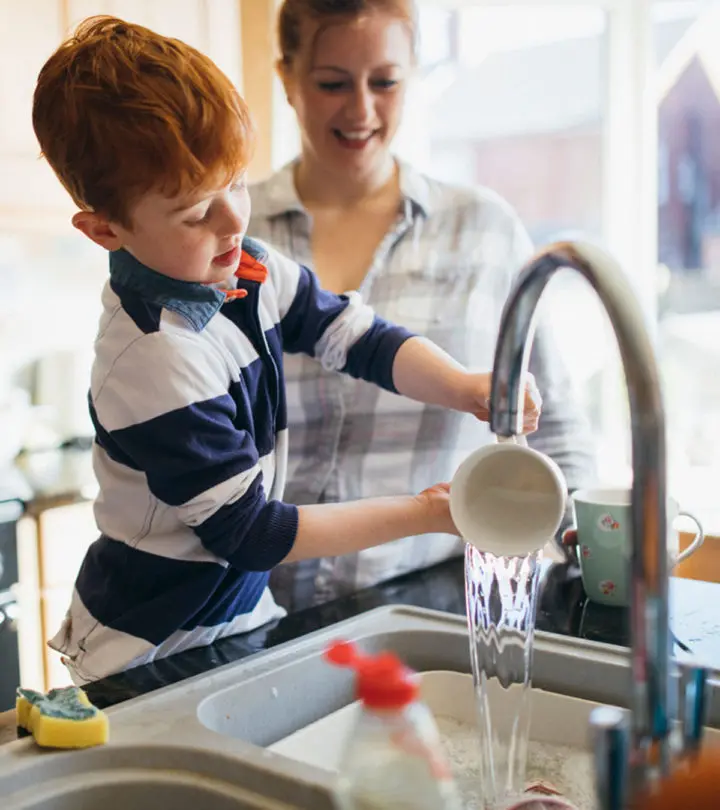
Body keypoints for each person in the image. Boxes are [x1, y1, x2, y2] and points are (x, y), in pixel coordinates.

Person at [31, 16, 541, 684]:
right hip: (149, 650)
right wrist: (427, 515)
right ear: (104, 229)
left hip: (236, 624)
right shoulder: (153, 360)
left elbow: (356, 336)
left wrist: (464, 386)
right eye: (194, 211)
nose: (233, 220)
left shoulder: (242, 268)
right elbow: (254, 534)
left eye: (236, 183)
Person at [248, 0, 597, 610]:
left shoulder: (485, 230)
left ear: (414, 76)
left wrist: (589, 559)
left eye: (385, 82)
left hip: (437, 603)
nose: (361, 110)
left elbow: (557, 433)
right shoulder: (232, 236)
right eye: (332, 83)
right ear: (287, 78)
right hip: (255, 613)